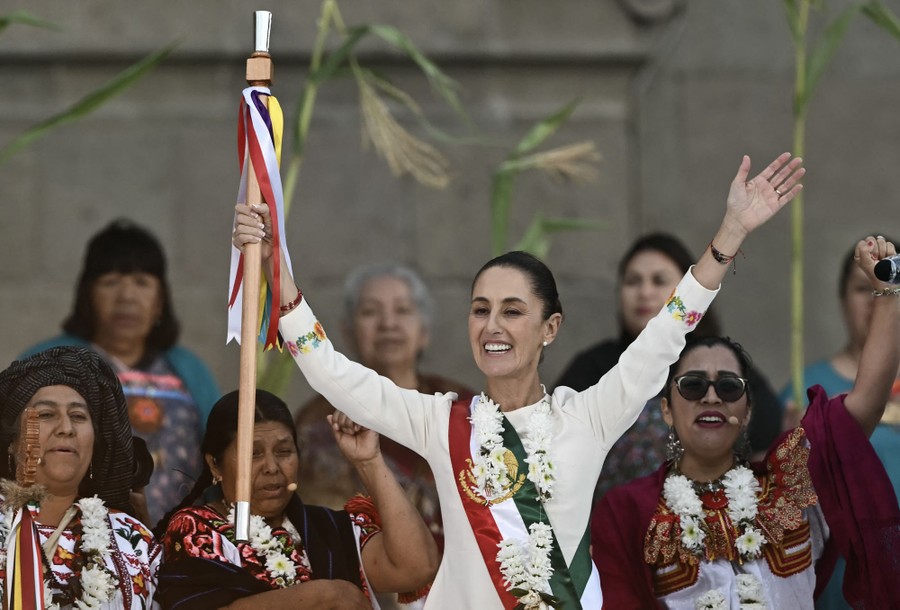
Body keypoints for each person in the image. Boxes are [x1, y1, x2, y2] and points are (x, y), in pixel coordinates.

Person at [233, 152, 805, 608]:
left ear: (550, 327)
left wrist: (730, 232)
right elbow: (334, 373)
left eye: (512, 310)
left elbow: (666, 333)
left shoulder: (589, 415)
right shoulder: (439, 421)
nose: (492, 326)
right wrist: (273, 264)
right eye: (480, 309)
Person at [591, 236, 900, 609]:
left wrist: (887, 293)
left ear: (749, 410)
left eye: (727, 385)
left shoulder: (790, 485)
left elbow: (865, 403)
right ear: (667, 409)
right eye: (691, 386)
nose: (710, 396)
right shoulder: (627, 509)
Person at [157, 389, 439, 609]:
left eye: (283, 452)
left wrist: (368, 460)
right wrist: (325, 596)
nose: (271, 467)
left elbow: (417, 567)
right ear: (215, 465)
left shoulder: (330, 529)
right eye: (253, 454)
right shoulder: (195, 529)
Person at [21, 219, 221, 524]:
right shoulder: (48, 361)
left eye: (142, 282)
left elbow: (222, 454)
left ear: (160, 302)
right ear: (87, 294)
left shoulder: (189, 371)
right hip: (64, 543)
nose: (126, 297)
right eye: (111, 281)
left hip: (183, 550)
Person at [555, 233, 783, 499]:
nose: (645, 292)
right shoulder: (594, 366)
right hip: (612, 529)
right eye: (633, 281)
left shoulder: (721, 363)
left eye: (659, 281)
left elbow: (764, 435)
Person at [294, 263, 473, 548]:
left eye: (402, 310)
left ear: (424, 330)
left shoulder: (463, 407)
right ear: (348, 331)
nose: (388, 323)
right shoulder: (317, 422)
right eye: (370, 312)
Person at [779, 237, 900, 610]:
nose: (873, 297)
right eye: (863, 287)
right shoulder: (804, 391)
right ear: (841, 298)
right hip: (838, 574)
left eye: (884, 285)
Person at [0, 346, 161, 608]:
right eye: (46, 414)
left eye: (77, 416)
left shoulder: (134, 541)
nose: (66, 428)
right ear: (11, 441)